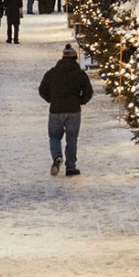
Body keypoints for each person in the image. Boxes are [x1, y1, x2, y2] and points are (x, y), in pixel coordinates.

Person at [38, 42, 93, 177]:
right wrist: (81, 101)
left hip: (56, 109)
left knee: (54, 136)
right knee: (72, 138)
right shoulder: (80, 74)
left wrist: (51, 99)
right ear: (75, 58)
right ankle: (71, 167)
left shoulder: (52, 73)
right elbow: (89, 91)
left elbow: (42, 90)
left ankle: (57, 157)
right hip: (74, 110)